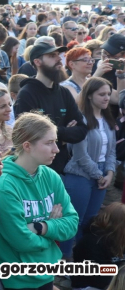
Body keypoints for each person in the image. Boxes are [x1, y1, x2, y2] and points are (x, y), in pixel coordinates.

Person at [0, 112, 79, 290]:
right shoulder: (5, 184)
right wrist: (51, 236)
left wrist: (42, 227)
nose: (57, 149)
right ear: (27, 146)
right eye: (49, 143)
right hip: (13, 279)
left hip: (45, 273)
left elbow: (72, 223)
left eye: (56, 142)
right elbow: (21, 240)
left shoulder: (51, 176)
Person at [60, 77, 117, 259]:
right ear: (90, 96)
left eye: (108, 94)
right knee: (73, 221)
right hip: (79, 175)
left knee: (90, 222)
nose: (106, 98)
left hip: (100, 174)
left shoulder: (108, 119)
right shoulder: (81, 119)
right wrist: (99, 174)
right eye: (101, 94)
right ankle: (64, 259)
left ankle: (83, 259)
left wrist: (109, 172)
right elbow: (79, 154)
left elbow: (111, 151)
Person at [14, 42, 88, 174]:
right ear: (37, 61)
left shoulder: (63, 92)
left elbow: (81, 131)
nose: (59, 59)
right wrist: (64, 134)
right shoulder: (27, 94)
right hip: (36, 171)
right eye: (52, 55)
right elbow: (29, 135)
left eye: (58, 55)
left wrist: (52, 135)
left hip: (62, 168)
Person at [71, 203, 125, 290]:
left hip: (116, 279)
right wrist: (120, 277)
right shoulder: (91, 242)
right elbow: (98, 276)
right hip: (90, 285)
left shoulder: (121, 237)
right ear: (119, 226)